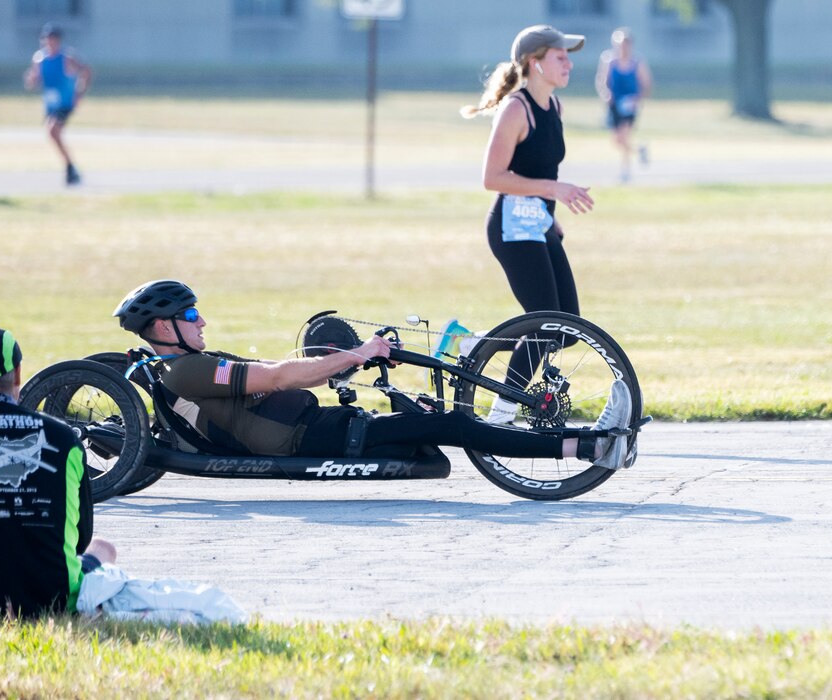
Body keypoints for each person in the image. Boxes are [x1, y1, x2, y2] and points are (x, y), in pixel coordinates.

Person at [113, 280, 632, 471]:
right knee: (454, 426)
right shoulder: (186, 371)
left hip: (322, 426)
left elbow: (285, 381)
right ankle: (589, 447)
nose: (201, 320)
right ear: (163, 326)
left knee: (427, 419)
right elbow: (276, 377)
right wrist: (357, 351)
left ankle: (589, 446)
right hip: (310, 438)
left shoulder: (184, 371)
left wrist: (355, 359)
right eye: (189, 315)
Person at [460, 24, 592, 422]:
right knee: (546, 325)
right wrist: (555, 189)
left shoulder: (554, 107)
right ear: (535, 63)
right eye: (560, 56)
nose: (569, 63)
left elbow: (539, 168)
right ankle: (501, 414)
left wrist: (551, 218)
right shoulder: (516, 109)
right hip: (511, 229)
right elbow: (493, 178)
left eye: (569, 56)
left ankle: (475, 345)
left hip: (537, 226)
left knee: (566, 327)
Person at [0, 326, 116, 620]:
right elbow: (82, 539)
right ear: (18, 374)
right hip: (56, 605)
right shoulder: (65, 438)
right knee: (103, 548)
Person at [23, 22, 92, 186]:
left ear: (58, 40)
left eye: (53, 39)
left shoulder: (67, 58)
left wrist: (79, 94)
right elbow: (34, 81)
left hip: (65, 103)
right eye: (47, 39)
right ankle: (70, 167)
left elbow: (86, 71)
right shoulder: (39, 59)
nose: (50, 42)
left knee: (53, 130)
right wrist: (31, 80)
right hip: (51, 105)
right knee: (53, 134)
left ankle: (70, 168)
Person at [595, 27, 653, 182]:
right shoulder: (609, 60)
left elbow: (646, 84)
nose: (623, 48)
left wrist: (637, 99)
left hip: (629, 105)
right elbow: (602, 81)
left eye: (626, 44)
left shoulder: (637, 62)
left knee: (624, 135)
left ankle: (625, 172)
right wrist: (606, 95)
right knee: (617, 140)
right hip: (614, 104)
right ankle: (639, 149)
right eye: (620, 44)